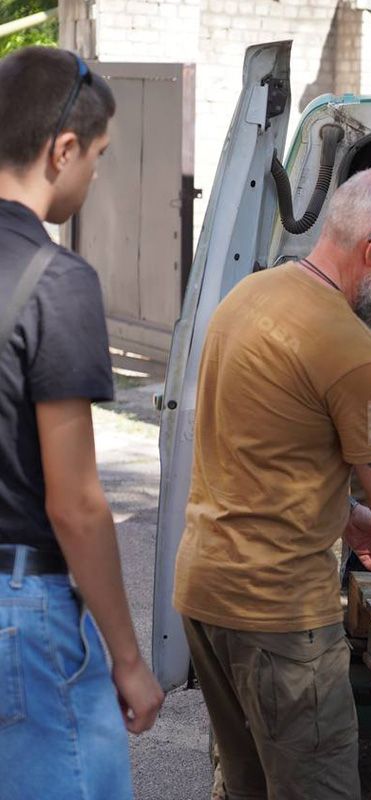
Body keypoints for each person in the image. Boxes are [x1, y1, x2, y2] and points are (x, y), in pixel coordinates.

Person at [174, 168, 371, 800]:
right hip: (280, 614)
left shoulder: (248, 299)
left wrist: (345, 515)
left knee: (248, 786)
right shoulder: (356, 352)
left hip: (206, 594)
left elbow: (260, 445)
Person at [0, 46, 163, 799]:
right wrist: (127, 657)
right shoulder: (55, 282)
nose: (94, 174)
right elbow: (76, 503)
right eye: (96, 156)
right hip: (20, 616)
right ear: (61, 150)